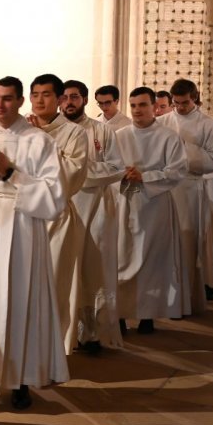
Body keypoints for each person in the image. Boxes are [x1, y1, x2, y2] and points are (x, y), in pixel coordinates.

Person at [0, 76, 68, 413]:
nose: (0, 104)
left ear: (20, 102)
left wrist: (12, 175)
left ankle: (20, 380)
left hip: (23, 229)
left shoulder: (39, 142)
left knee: (20, 302)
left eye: (7, 99)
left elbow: (55, 196)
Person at [115, 87, 188, 334]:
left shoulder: (168, 136)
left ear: (154, 107)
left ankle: (148, 315)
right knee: (122, 259)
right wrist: (121, 175)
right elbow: (109, 168)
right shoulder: (119, 135)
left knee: (153, 261)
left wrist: (145, 176)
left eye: (143, 105)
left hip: (155, 206)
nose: (137, 110)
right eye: (133, 105)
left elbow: (178, 171)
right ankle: (120, 315)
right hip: (125, 203)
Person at [62, 79, 125, 351]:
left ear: (85, 100)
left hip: (97, 207)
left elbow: (117, 167)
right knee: (66, 268)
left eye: (74, 97)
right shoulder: (51, 132)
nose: (68, 103)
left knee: (93, 270)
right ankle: (64, 332)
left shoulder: (103, 131)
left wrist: (78, 173)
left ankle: (92, 333)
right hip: (64, 207)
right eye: (64, 98)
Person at [158, 78, 213, 312]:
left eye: (185, 103)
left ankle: (187, 296)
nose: (180, 107)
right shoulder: (162, 122)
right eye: (176, 103)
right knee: (165, 242)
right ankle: (165, 295)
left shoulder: (210, 125)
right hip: (163, 189)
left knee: (189, 243)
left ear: (195, 98)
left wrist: (182, 148)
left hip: (191, 189)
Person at [27, 73, 88, 353]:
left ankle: (54, 344)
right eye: (35, 94)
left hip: (57, 217)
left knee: (54, 282)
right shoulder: (20, 129)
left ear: (60, 99)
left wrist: (41, 141)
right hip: (24, 217)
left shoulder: (75, 133)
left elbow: (71, 177)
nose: (40, 100)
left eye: (47, 95)